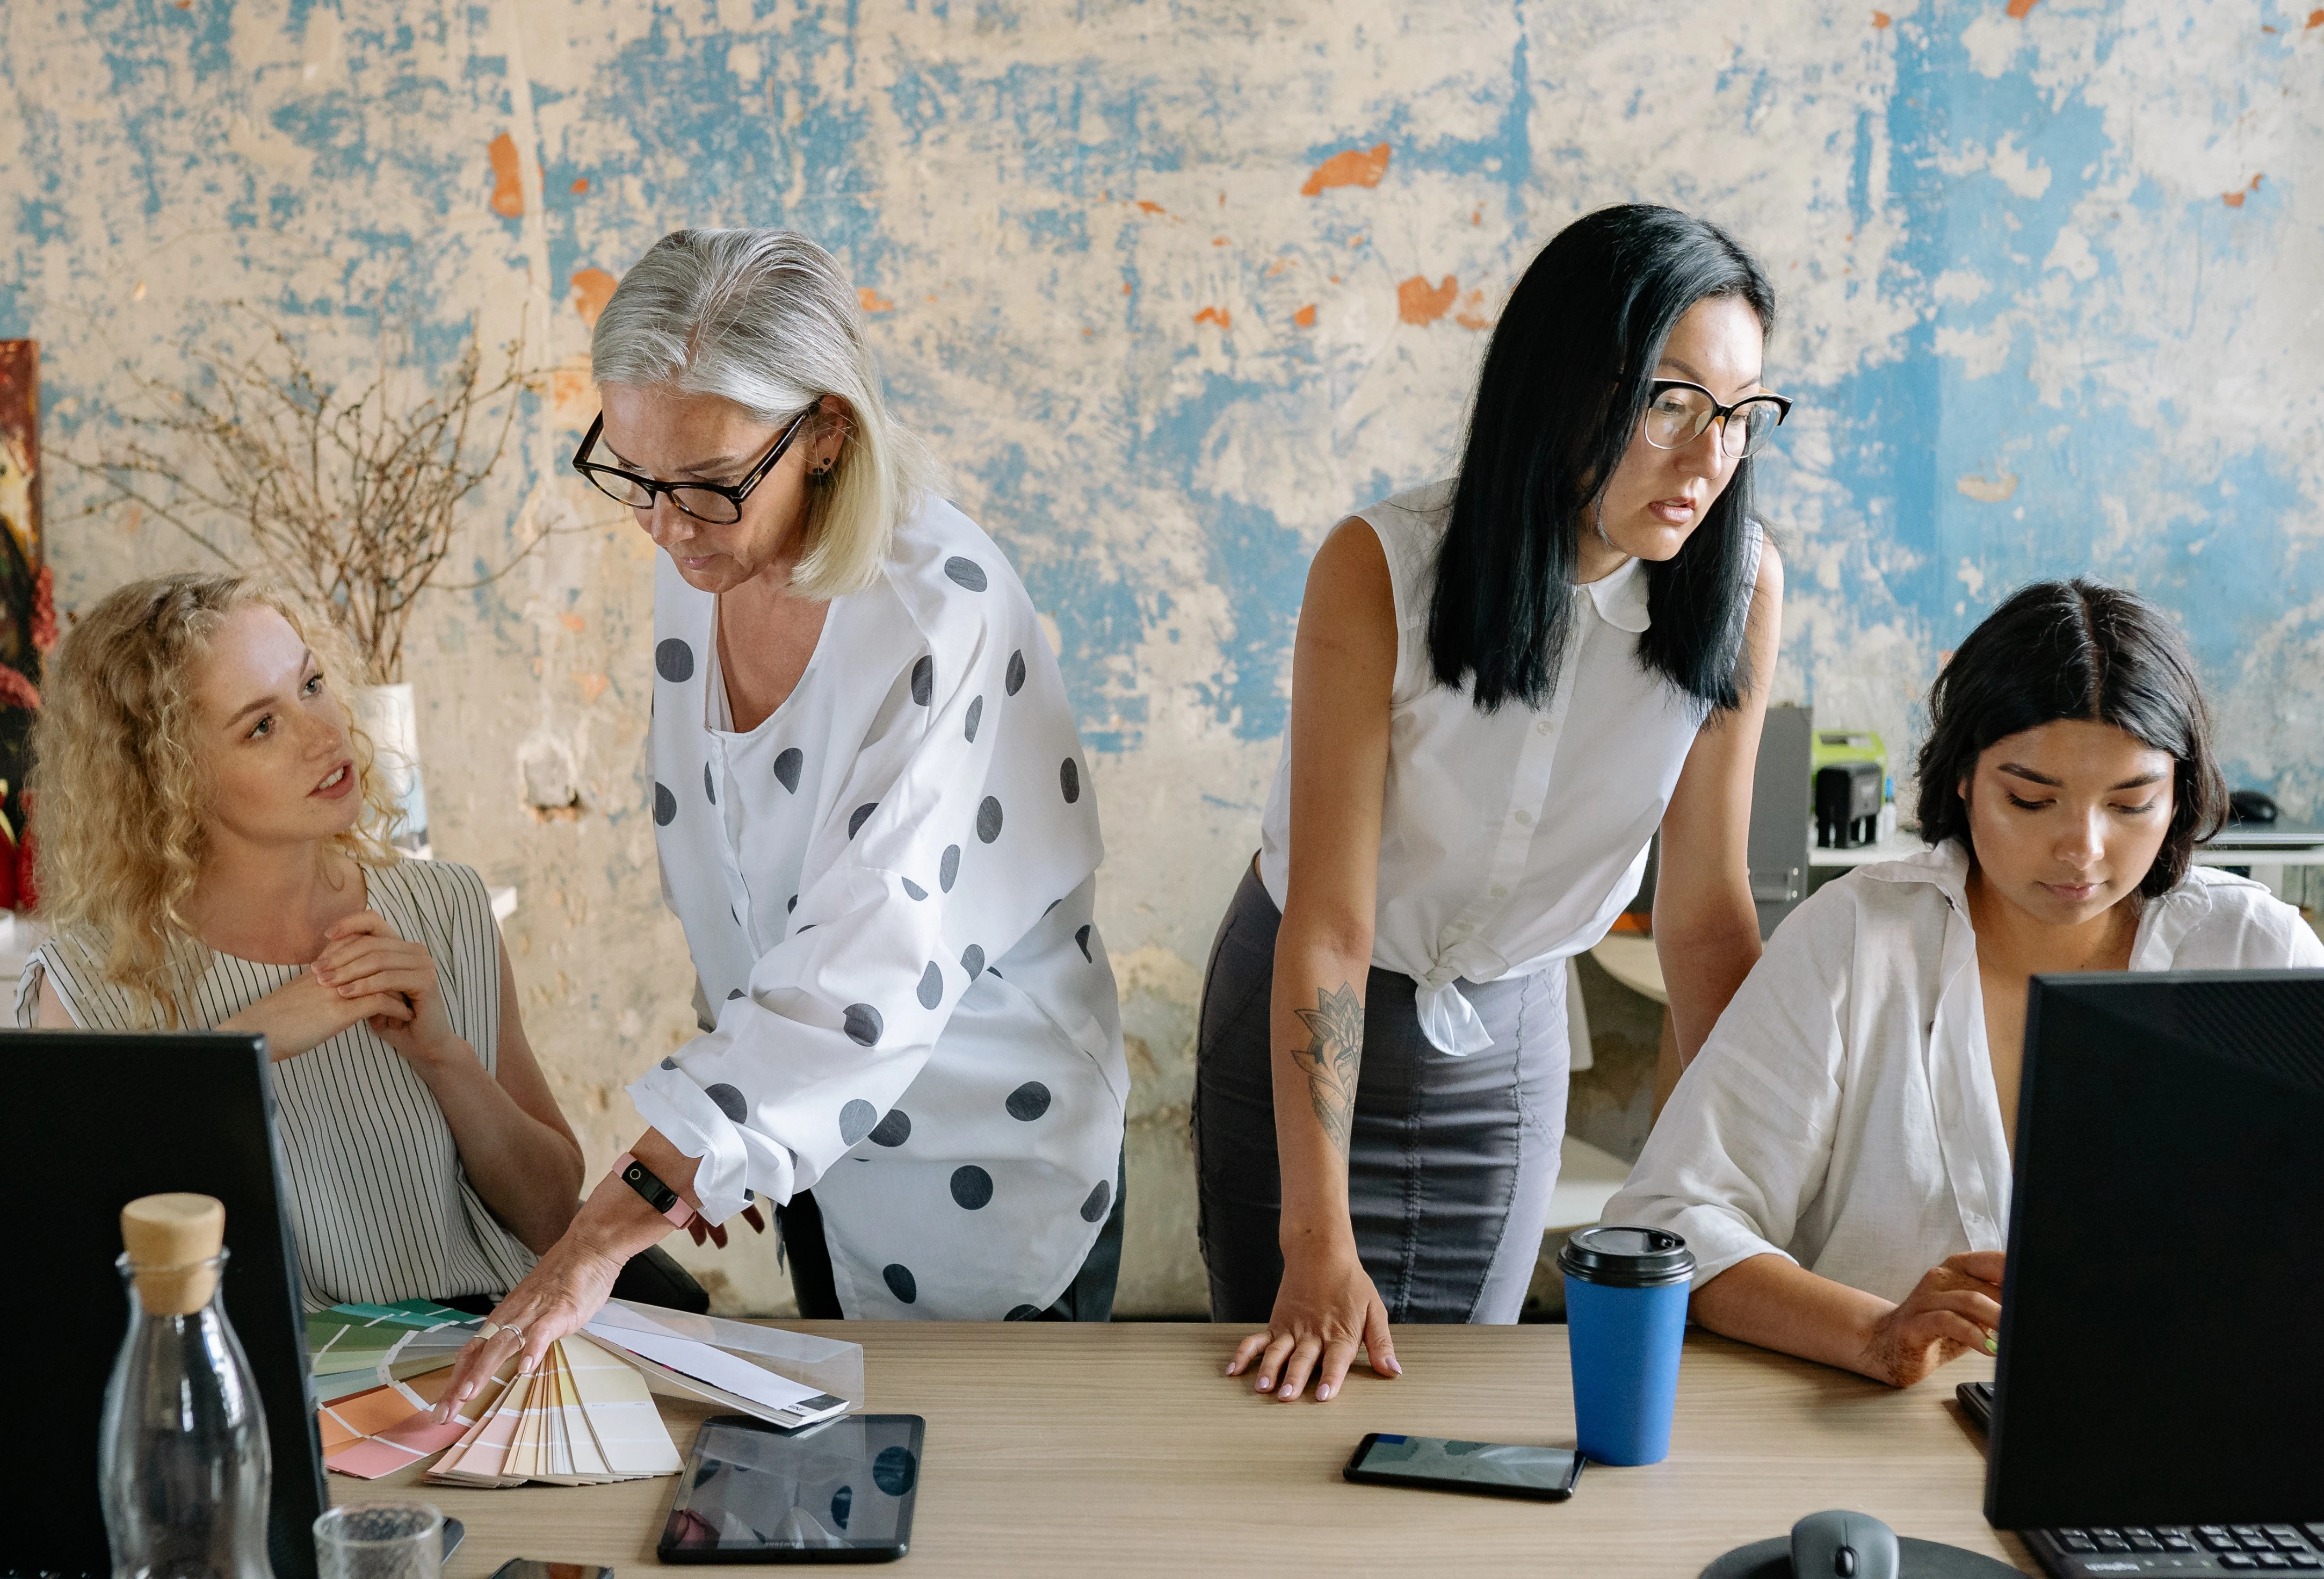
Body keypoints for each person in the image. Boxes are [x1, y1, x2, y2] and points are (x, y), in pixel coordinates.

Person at [445, 226, 1126, 1408]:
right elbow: (744, 870)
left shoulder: (929, 619)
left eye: (704, 483)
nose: (663, 524)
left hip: (989, 1153)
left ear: (827, 432)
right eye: (635, 474)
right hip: (818, 1152)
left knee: (985, 1498)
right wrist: (726, 1132)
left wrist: (630, 1209)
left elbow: (865, 961)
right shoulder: (702, 548)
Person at [1197, 204, 1791, 1405]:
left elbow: (1705, 916)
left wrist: (1723, 1191)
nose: (1707, 457)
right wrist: (1315, 1236)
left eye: (1737, 416)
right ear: (1567, 383)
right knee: (1285, 1395)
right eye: (1671, 404)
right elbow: (1332, 923)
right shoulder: (1384, 564)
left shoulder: (1740, 589)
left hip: (1505, 1033)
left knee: (1454, 1402)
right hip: (1306, 1006)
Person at [1603, 578, 2324, 1388]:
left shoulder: (2253, 948)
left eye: (2132, 803)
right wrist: (1873, 1333)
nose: (2082, 848)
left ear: (2181, 792)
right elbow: (1672, 1223)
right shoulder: (1856, 940)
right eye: (2031, 798)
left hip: (2188, 1430)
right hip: (1873, 1439)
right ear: (1962, 777)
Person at [18, 573, 584, 1311]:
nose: (325, 733)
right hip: (272, 1399)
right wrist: (237, 1052)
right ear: (172, 782)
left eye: (312, 684)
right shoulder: (89, 983)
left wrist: (445, 1059)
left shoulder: (448, 907)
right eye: (261, 725)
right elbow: (83, 1275)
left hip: (494, 1367)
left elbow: (551, 1219)